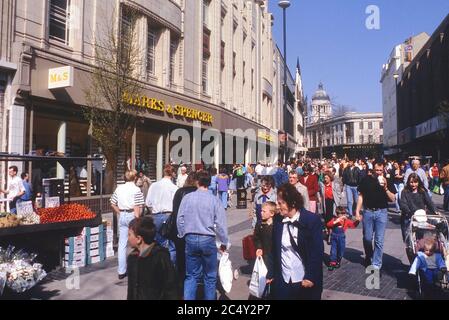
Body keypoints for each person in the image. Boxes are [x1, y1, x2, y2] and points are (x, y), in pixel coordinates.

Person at [177, 171, 229, 300]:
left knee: (191, 275)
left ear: (197, 182)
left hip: (191, 237)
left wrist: (183, 233)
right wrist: (224, 242)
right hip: (207, 237)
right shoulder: (214, 200)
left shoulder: (187, 198)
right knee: (210, 276)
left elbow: (180, 219)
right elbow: (221, 224)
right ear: (209, 183)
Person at [267, 183, 324, 300]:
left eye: (281, 203)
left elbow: (316, 252)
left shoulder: (311, 220)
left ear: (292, 203)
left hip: (303, 279)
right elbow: (274, 249)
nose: (277, 206)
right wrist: (271, 273)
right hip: (283, 279)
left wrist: (311, 277)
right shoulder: (278, 220)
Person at [355, 162, 396, 270]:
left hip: (381, 212)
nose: (378, 172)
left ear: (383, 170)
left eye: (380, 170)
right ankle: (369, 255)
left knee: (379, 240)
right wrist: (357, 211)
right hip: (368, 212)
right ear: (372, 169)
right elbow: (361, 196)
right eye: (376, 170)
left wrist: (386, 187)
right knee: (367, 238)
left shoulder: (387, 180)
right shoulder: (366, 180)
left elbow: (393, 198)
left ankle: (376, 264)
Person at [127, 216, 178, 300]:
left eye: (129, 235)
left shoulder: (160, 256)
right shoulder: (132, 258)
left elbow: (170, 286)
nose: (128, 238)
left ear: (139, 239)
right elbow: (131, 290)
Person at [110, 169, 144, 279]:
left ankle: (121, 270)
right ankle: (139, 267)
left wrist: (120, 212)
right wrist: (138, 219)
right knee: (138, 242)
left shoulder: (119, 188)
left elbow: (112, 202)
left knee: (122, 243)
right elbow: (138, 206)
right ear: (135, 178)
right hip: (132, 215)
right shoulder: (136, 190)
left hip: (123, 215)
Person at [171, 172, 198, 296]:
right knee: (195, 261)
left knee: (181, 259)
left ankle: (180, 287)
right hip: (194, 230)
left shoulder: (179, 192)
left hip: (179, 231)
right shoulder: (198, 193)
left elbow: (175, 212)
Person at [146, 164, 178, 263]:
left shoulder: (154, 185)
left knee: (157, 243)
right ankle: (171, 267)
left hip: (156, 215)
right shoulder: (174, 188)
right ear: (172, 174)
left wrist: (154, 211)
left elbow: (148, 203)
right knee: (172, 245)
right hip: (169, 215)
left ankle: (159, 266)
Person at [400, 173, 436, 244]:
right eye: (411, 182)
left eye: (415, 182)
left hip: (420, 218)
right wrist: (409, 212)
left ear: (418, 182)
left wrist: (435, 211)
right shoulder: (404, 192)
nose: (413, 184)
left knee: (419, 240)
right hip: (408, 217)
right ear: (408, 182)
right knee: (408, 241)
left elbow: (429, 203)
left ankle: (418, 253)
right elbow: (403, 204)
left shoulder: (422, 192)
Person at [326, 206, 359, 271]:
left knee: (341, 251)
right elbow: (328, 224)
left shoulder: (346, 221)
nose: (342, 216)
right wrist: (336, 221)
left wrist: (358, 221)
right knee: (333, 250)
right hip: (334, 237)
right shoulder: (334, 219)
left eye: (343, 214)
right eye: (340, 214)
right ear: (337, 214)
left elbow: (353, 225)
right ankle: (332, 263)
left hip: (341, 237)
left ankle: (338, 260)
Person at [254, 202, 276, 278]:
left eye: (264, 211)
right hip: (264, 255)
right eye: (261, 211)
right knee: (263, 276)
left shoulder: (276, 226)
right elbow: (257, 238)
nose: (261, 213)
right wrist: (258, 247)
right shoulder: (259, 224)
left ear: (272, 213)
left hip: (273, 256)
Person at [321, 172, 343, 244]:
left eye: (327, 178)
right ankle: (328, 233)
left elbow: (339, 194)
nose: (325, 179)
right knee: (327, 219)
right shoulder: (322, 185)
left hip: (332, 203)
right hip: (325, 203)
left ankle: (331, 235)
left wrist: (337, 200)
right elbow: (319, 193)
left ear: (330, 178)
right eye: (324, 178)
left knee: (332, 219)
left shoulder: (335, 185)